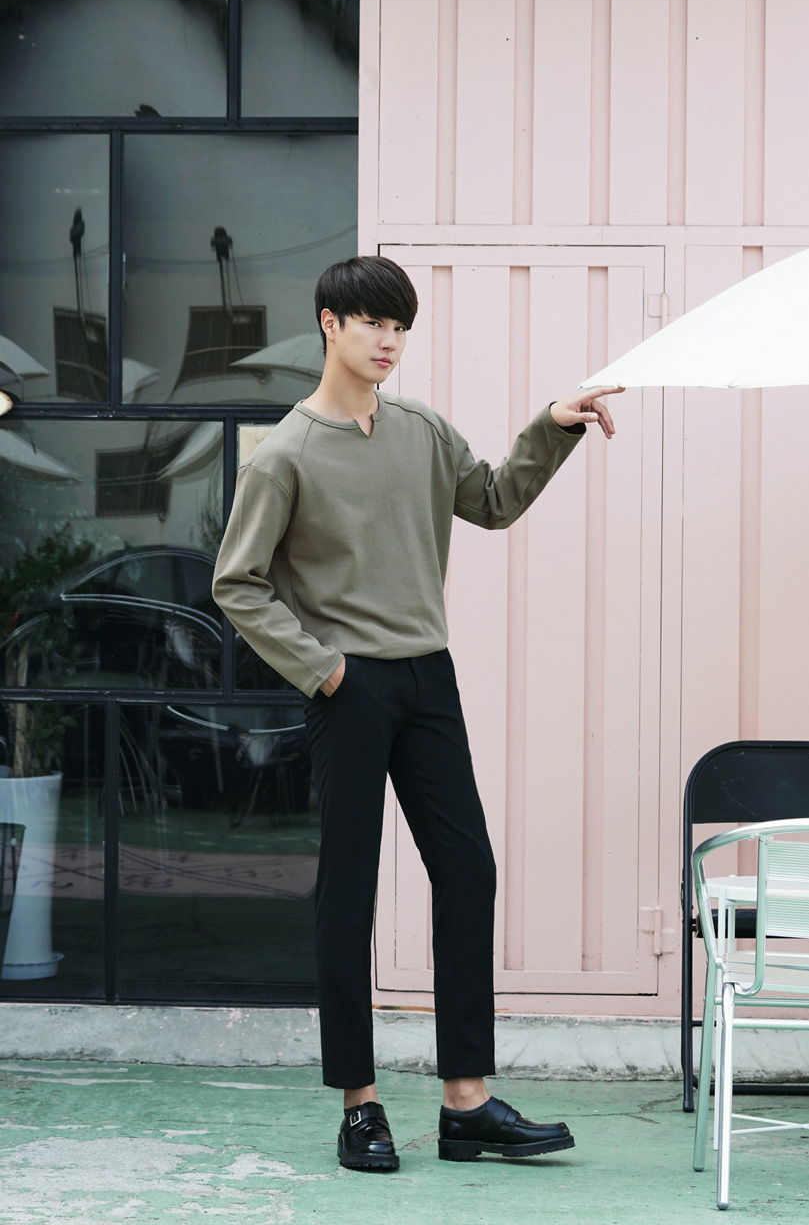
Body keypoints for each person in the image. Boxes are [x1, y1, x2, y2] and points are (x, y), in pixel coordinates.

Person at [211, 251, 616, 1174]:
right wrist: (323, 670)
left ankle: (466, 1102)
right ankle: (358, 1103)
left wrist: (553, 424)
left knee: (468, 870)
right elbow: (237, 582)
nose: (390, 340)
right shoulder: (285, 453)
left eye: (401, 326)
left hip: (429, 677)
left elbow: (494, 499)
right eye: (373, 322)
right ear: (329, 323)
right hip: (349, 688)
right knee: (349, 891)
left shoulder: (422, 429)